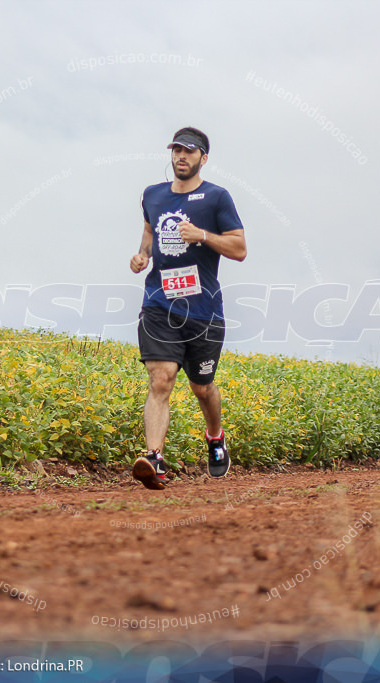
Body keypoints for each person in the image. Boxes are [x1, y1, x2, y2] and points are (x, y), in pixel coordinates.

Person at [129, 126, 247, 490]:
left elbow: (239, 249)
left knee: (201, 387)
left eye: (190, 151)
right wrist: (143, 256)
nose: (181, 156)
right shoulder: (152, 194)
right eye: (177, 150)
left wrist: (204, 236)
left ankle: (215, 437)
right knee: (161, 379)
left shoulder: (216, 198)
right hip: (159, 305)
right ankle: (154, 457)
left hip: (204, 312)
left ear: (203, 158)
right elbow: (150, 231)